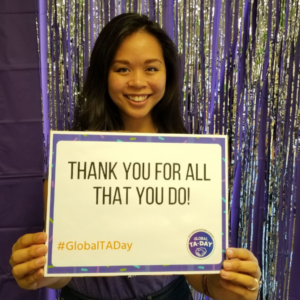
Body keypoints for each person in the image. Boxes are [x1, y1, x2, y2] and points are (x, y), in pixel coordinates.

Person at [10, 13, 261, 300]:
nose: (138, 82)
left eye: (151, 68)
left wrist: (224, 285)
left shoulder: (190, 158)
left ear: (167, 73)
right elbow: (63, 268)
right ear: (104, 74)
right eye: (122, 69)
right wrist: (39, 272)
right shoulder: (71, 158)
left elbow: (192, 262)